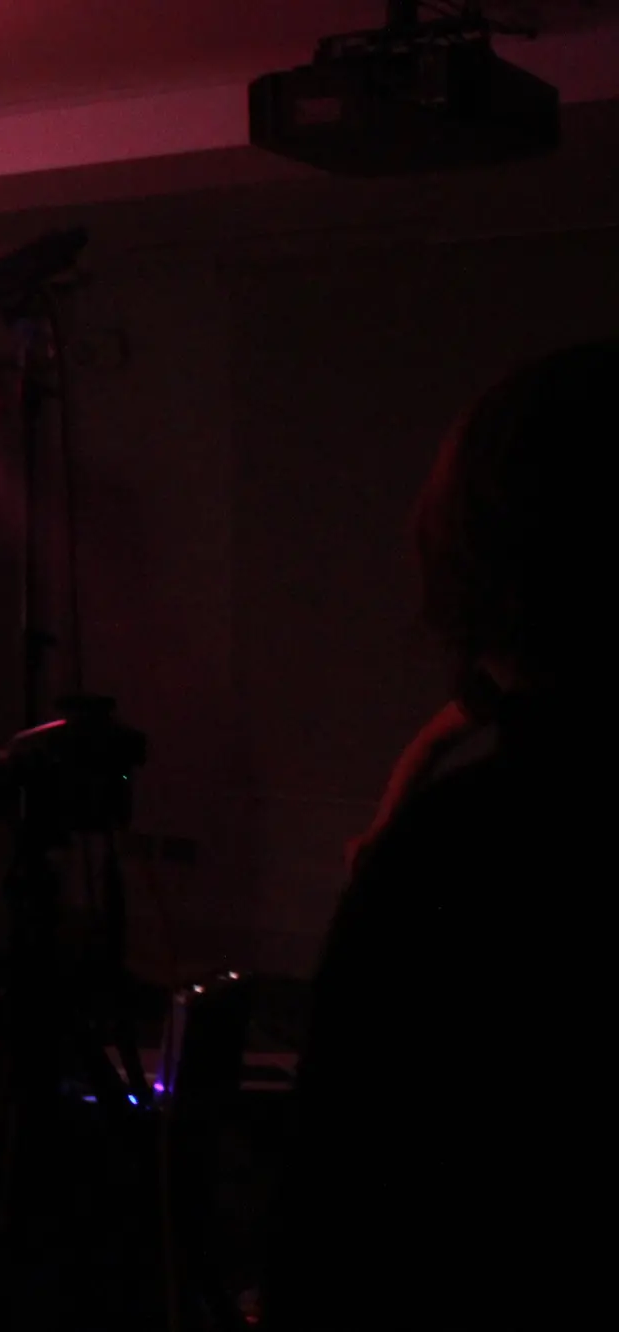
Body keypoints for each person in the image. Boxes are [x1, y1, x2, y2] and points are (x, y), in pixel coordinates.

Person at [261, 340, 613, 1331]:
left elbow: (342, 1221)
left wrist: (396, 839)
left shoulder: (462, 865)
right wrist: (390, 823)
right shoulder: (454, 845)